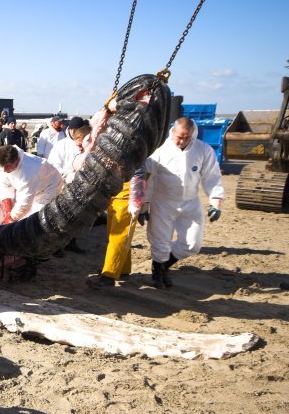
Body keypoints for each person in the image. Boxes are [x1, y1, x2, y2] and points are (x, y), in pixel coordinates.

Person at [141, 117, 224, 289]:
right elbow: (147, 179)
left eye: (187, 138)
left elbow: (212, 176)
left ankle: (164, 265)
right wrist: (144, 203)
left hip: (190, 202)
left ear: (193, 135)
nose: (182, 141)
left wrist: (216, 200)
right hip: (162, 201)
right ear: (173, 132)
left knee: (192, 244)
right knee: (160, 240)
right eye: (179, 136)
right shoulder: (159, 150)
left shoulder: (203, 150)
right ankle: (158, 272)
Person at [86, 168, 146, 288]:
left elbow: (139, 170)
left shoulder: (133, 150)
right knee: (114, 234)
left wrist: (136, 200)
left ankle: (109, 275)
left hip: (128, 193)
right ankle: (121, 269)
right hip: (116, 190)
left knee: (119, 236)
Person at [0, 144, 62, 223]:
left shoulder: (29, 170)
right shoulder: (1, 161)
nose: (4, 170)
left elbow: (24, 204)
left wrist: (11, 217)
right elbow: (3, 184)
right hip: (32, 186)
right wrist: (8, 210)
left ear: (18, 160)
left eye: (8, 167)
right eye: (2, 167)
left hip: (49, 187)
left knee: (40, 220)